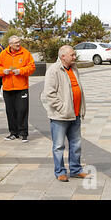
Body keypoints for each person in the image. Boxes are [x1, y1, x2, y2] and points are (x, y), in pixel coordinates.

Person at [41, 45, 91, 182]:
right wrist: (62, 108)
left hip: (75, 114)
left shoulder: (74, 68)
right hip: (60, 116)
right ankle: (60, 172)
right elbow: (49, 94)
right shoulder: (54, 70)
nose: (75, 57)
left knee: (76, 144)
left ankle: (75, 170)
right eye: (72, 55)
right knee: (58, 146)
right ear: (63, 56)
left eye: (74, 55)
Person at [0, 35, 35, 143]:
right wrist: (3, 71)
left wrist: (20, 71)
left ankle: (23, 133)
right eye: (16, 43)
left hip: (21, 87)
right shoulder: (3, 54)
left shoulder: (26, 53)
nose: (18, 44)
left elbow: (32, 67)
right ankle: (13, 133)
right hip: (8, 88)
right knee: (10, 111)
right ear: (10, 45)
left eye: (19, 41)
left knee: (22, 110)